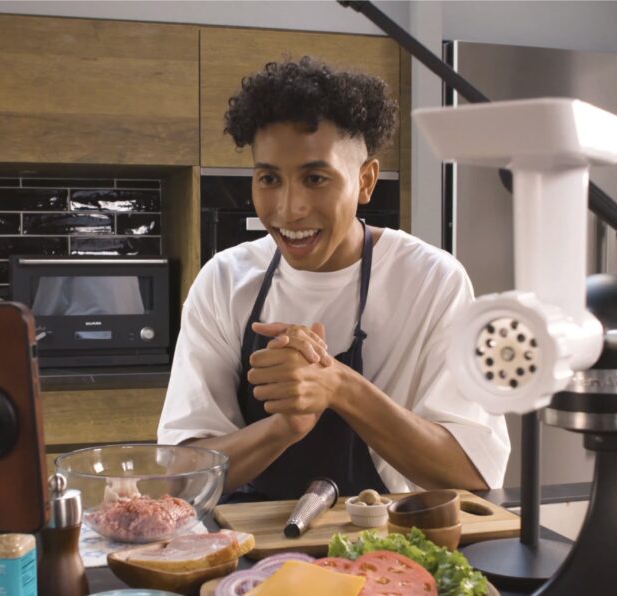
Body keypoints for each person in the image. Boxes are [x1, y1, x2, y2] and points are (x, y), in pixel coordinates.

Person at [158, 57, 510, 501]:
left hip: (386, 550)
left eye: (316, 178)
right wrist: (284, 428)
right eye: (269, 178)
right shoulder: (224, 281)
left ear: (365, 182)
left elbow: (474, 472)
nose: (289, 209)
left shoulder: (431, 281)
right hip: (250, 547)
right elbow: (180, 479)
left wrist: (339, 386)